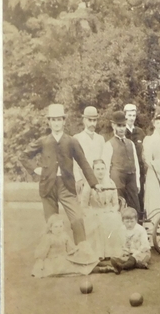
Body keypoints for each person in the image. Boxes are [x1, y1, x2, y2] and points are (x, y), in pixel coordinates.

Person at [19, 104, 101, 245]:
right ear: (49, 122)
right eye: (53, 120)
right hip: (48, 186)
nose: (56, 123)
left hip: (66, 186)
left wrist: (94, 183)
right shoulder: (43, 142)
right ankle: (54, 257)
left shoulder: (71, 141)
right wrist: (35, 169)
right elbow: (23, 156)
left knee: (77, 219)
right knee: (52, 224)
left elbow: (83, 163)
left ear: (64, 121)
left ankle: (82, 253)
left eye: (59, 120)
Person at [80, 159, 126, 260]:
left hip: (108, 211)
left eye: (102, 169)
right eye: (97, 169)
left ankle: (112, 253)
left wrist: (112, 210)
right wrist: (89, 213)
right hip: (94, 212)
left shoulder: (110, 183)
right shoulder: (89, 184)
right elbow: (84, 205)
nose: (100, 171)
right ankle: (99, 254)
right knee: (99, 221)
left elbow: (115, 204)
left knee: (112, 219)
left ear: (106, 170)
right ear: (93, 171)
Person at [31, 214, 100, 278]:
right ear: (50, 228)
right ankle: (101, 269)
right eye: (56, 227)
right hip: (53, 261)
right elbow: (41, 254)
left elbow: (71, 248)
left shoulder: (64, 236)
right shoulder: (48, 238)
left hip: (65, 257)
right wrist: (39, 266)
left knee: (83, 248)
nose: (59, 229)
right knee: (76, 267)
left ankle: (96, 263)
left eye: (61, 226)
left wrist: (78, 251)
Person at [102, 111, 141, 214]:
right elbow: (105, 166)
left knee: (135, 207)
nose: (121, 129)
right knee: (119, 206)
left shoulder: (131, 143)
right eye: (119, 126)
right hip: (117, 179)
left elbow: (136, 163)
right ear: (113, 125)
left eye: (123, 126)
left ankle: (135, 228)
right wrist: (107, 185)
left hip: (131, 178)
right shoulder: (109, 144)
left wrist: (137, 182)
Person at [73, 106, 105, 199]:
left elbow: (102, 160)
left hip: (98, 179)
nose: (92, 123)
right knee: (83, 207)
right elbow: (74, 162)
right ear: (84, 120)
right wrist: (78, 179)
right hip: (83, 178)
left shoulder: (100, 139)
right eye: (89, 120)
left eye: (94, 120)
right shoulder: (77, 138)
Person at [110, 207, 151, 274]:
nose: (129, 224)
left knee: (133, 258)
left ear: (136, 220)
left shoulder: (140, 229)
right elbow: (121, 243)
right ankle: (136, 264)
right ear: (123, 221)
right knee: (121, 257)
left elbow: (145, 245)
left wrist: (135, 252)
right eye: (127, 222)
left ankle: (122, 267)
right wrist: (124, 251)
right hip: (128, 253)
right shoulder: (121, 230)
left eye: (132, 221)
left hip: (141, 252)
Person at [124, 103, 146, 214]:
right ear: (125, 116)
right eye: (129, 115)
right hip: (128, 171)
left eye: (133, 115)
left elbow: (144, 151)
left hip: (140, 171)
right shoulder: (122, 132)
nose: (132, 118)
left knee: (140, 198)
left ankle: (140, 225)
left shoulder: (140, 132)